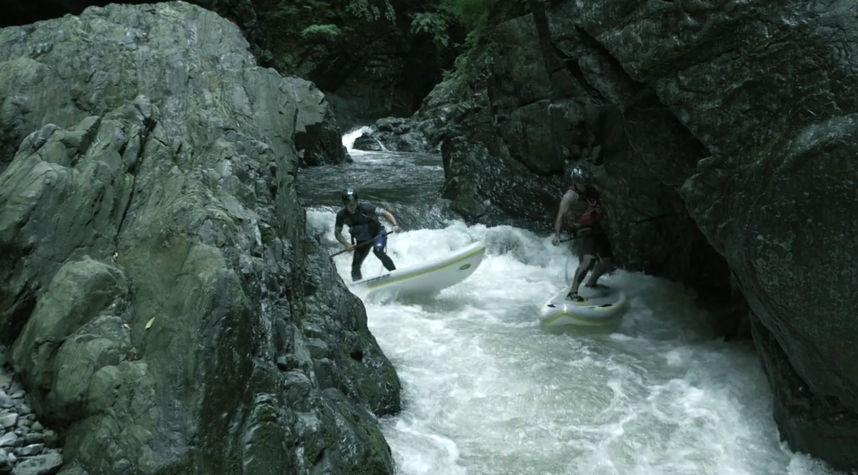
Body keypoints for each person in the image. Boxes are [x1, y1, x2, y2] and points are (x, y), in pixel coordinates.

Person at [551, 166, 614, 301]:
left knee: (607, 261)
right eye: (583, 181)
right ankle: (572, 292)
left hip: (596, 226)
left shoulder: (593, 190)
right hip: (583, 229)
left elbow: (606, 206)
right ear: (576, 181)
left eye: (587, 181)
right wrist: (557, 234)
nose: (586, 184)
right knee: (589, 260)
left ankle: (591, 282)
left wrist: (613, 222)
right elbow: (560, 215)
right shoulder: (570, 196)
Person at [335, 187, 401, 281]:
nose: (352, 206)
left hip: (377, 234)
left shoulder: (366, 207)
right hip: (362, 241)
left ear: (357, 201)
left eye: (353, 203)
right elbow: (337, 232)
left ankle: (395, 274)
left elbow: (386, 213)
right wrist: (346, 244)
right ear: (344, 203)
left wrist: (395, 225)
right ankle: (358, 285)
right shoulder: (341, 215)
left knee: (378, 251)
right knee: (355, 266)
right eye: (349, 204)